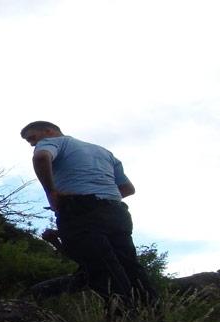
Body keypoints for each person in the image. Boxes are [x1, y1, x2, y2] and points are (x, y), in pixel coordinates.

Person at [20, 121, 158, 309]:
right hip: (116, 212)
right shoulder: (102, 151)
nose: (33, 145)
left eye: (32, 139)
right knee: (130, 265)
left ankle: (123, 318)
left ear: (48, 131)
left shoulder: (53, 143)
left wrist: (52, 193)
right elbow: (128, 188)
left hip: (79, 209)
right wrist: (102, 198)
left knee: (101, 267)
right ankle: (153, 314)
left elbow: (41, 158)